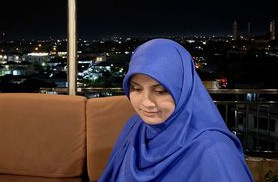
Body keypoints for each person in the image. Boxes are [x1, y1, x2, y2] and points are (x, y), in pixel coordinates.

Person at [99, 38, 253, 182]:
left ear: (183, 90)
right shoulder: (135, 127)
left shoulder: (214, 151)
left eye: (161, 91)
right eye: (136, 89)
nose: (146, 103)